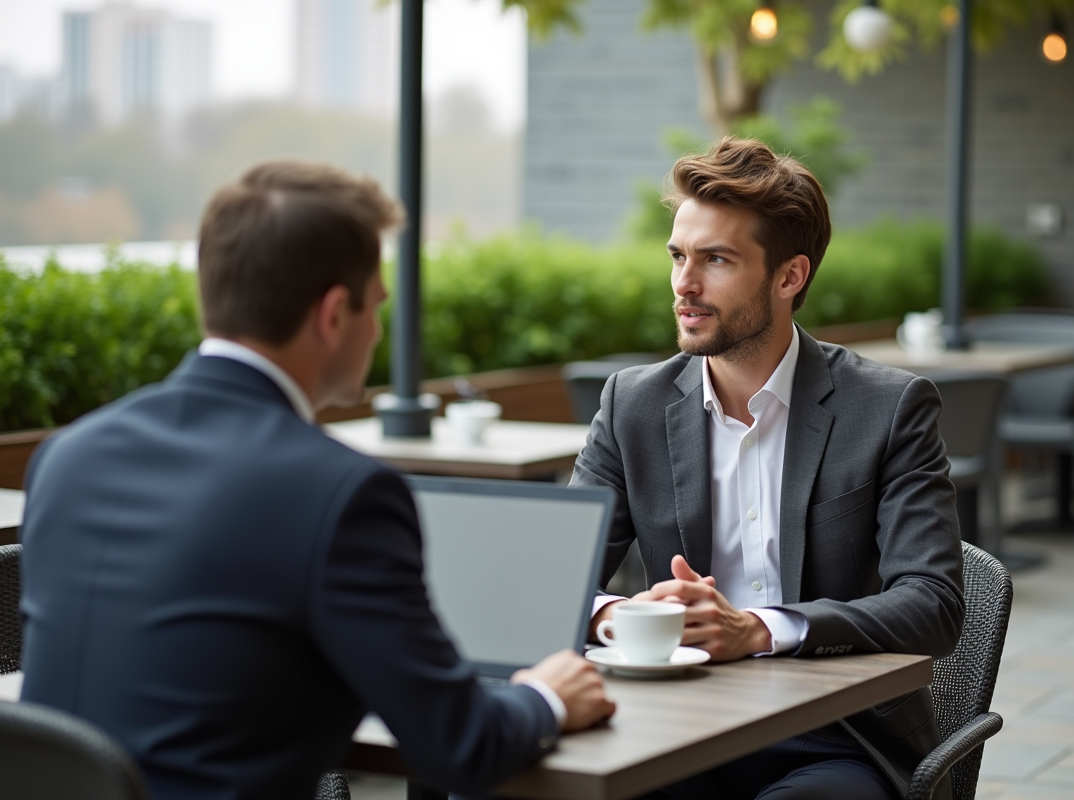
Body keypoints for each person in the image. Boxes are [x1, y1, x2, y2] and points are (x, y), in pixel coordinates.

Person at [19, 160, 615, 800]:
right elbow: (460, 746)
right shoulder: (340, 493)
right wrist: (545, 698)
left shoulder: (68, 455)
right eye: (375, 306)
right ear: (334, 315)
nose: (378, 330)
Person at [571, 138, 964, 800]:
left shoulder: (889, 408)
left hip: (835, 737)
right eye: (677, 256)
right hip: (668, 727)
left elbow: (933, 603)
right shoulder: (630, 404)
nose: (683, 285)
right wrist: (626, 619)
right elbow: (553, 582)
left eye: (714, 260)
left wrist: (755, 630)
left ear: (789, 277)